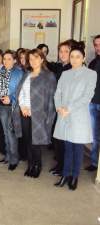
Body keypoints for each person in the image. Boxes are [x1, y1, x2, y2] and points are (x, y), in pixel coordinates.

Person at [54, 42, 97, 190]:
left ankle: (74, 177)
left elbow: (87, 96)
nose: (74, 59)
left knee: (77, 148)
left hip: (78, 115)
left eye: (78, 57)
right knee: (67, 147)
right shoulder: (65, 73)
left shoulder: (90, 74)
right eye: (72, 56)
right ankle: (65, 175)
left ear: (83, 58)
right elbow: (57, 92)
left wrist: (69, 108)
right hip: (64, 115)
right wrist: (59, 107)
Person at [13, 48, 56, 178]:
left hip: (39, 115)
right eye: (30, 59)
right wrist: (22, 106)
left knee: (36, 142)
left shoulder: (48, 76)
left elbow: (51, 98)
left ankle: (37, 166)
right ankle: (30, 165)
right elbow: (19, 93)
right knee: (28, 141)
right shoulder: (27, 74)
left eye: (36, 58)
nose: (33, 61)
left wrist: (49, 117)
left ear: (42, 59)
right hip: (24, 113)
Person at [48, 40, 73, 176]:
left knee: (64, 140)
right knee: (57, 139)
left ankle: (65, 168)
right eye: (61, 51)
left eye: (66, 51)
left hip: (67, 109)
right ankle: (60, 165)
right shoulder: (59, 67)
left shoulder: (72, 68)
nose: (62, 54)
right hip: (57, 107)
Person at [0, 50, 23, 170]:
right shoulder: (1, 71)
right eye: (4, 59)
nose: (6, 61)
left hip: (13, 107)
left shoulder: (19, 73)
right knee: (5, 133)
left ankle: (14, 159)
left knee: (11, 134)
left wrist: (11, 98)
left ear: (14, 60)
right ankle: (7, 156)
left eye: (9, 59)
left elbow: (21, 91)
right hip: (2, 106)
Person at [86, 35, 100, 172]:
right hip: (93, 103)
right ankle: (95, 163)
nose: (98, 47)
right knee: (95, 136)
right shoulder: (93, 63)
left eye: (99, 44)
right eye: (96, 44)